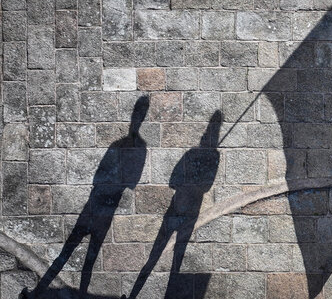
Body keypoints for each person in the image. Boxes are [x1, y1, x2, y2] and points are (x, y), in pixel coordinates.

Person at [22, 96, 150, 298]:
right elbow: (106, 177)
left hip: (102, 206)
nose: (137, 117)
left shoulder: (136, 149)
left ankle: (46, 294)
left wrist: (112, 176)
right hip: (98, 205)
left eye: (139, 114)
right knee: (70, 253)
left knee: (81, 256)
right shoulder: (127, 147)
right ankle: (39, 293)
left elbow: (119, 180)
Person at [127, 111, 222, 299]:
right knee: (165, 257)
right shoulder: (202, 155)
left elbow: (196, 184)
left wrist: (189, 180)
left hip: (184, 210)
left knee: (167, 258)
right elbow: (179, 181)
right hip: (181, 209)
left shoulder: (209, 156)